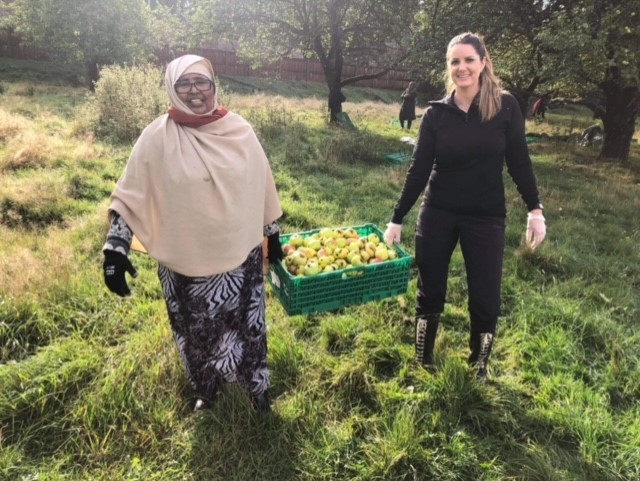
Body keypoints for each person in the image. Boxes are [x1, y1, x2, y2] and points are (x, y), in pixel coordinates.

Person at [102, 54, 284, 412]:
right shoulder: (157, 136)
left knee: (249, 327)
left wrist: (272, 235)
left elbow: (261, 184)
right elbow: (131, 193)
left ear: (214, 85)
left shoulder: (240, 131)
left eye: (202, 82)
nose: (194, 91)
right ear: (172, 88)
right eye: (184, 84)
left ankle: (256, 389)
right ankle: (207, 390)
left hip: (241, 257)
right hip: (184, 263)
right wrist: (115, 248)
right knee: (193, 332)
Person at [384, 33, 546, 380]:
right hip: (439, 210)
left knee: (486, 296)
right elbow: (419, 169)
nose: (462, 68)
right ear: (449, 68)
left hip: (486, 217)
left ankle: (479, 366)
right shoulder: (436, 114)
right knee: (431, 291)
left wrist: (535, 209)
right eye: (455, 62)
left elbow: (519, 160)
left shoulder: (505, 107)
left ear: (483, 62)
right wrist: (397, 218)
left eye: (469, 60)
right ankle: (423, 362)